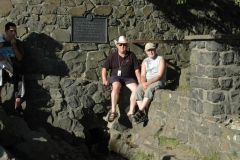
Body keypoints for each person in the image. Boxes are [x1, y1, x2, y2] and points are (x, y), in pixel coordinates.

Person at [102, 36, 141, 122]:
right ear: (117, 45)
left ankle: (131, 111)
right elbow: (104, 68)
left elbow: (137, 70)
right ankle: (113, 111)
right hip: (116, 77)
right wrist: (104, 79)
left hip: (129, 78)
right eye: (120, 45)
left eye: (124, 45)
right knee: (116, 87)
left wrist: (140, 82)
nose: (122, 46)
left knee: (136, 89)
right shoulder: (112, 56)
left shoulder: (131, 55)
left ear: (127, 45)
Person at [133, 42, 167, 124]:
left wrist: (147, 84)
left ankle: (140, 111)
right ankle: (144, 114)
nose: (151, 52)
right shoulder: (145, 61)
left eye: (152, 50)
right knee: (137, 91)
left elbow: (159, 75)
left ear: (155, 50)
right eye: (149, 50)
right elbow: (142, 75)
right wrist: (143, 83)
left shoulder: (161, 59)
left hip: (158, 81)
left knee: (150, 89)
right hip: (147, 81)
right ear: (146, 52)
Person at [0, 22, 25, 114]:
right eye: (11, 31)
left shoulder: (18, 43)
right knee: (0, 75)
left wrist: (14, 46)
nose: (14, 33)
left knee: (20, 81)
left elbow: (20, 58)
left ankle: (17, 108)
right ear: (6, 31)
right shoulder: (1, 41)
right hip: (3, 66)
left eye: (15, 31)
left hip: (15, 66)